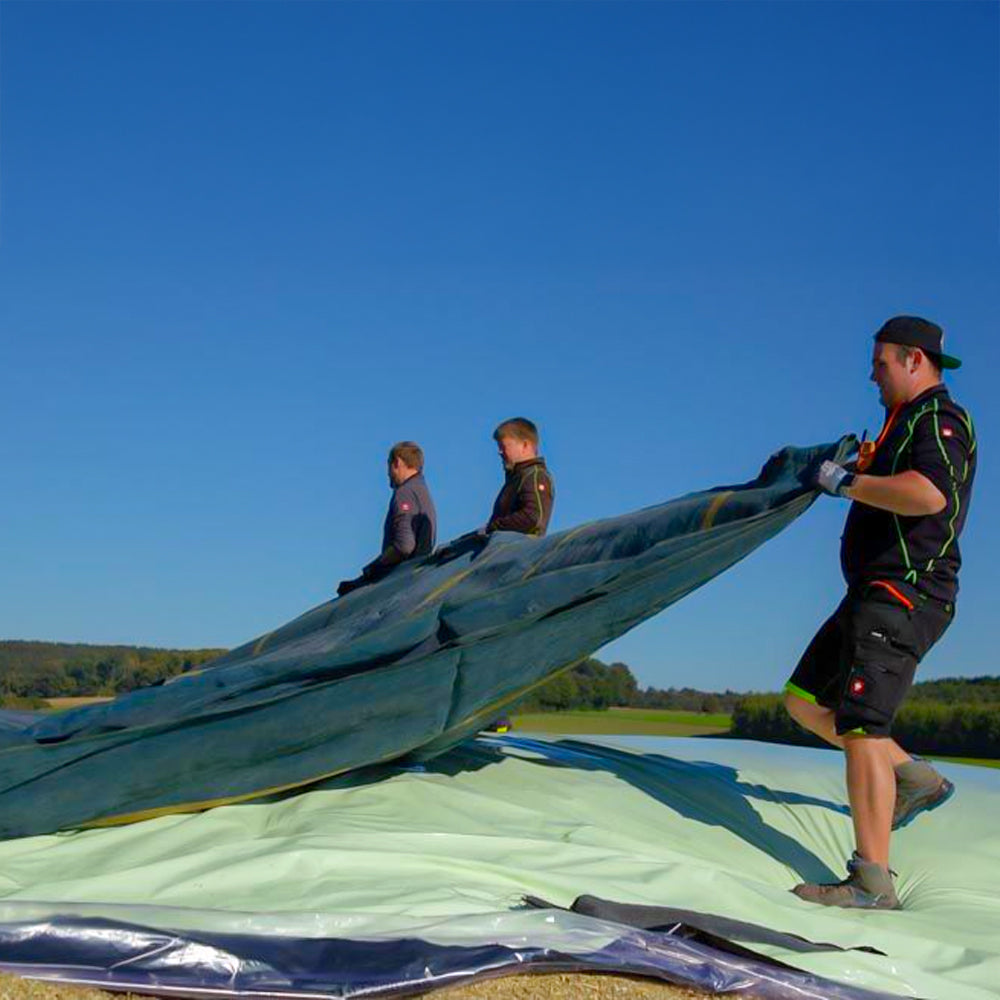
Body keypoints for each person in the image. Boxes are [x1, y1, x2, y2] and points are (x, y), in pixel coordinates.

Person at [785, 316, 976, 910]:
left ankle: (871, 881)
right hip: (868, 591)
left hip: (904, 592)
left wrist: (848, 484)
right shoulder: (904, 421)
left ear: (913, 360)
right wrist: (867, 469)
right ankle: (913, 777)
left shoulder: (938, 419)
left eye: (881, 364)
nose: (872, 375)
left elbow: (928, 494)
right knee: (802, 701)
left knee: (863, 727)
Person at [337, 441, 437, 597]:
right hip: (416, 579)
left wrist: (373, 568)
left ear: (397, 462)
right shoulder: (422, 491)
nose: (388, 474)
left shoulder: (405, 492)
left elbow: (404, 546)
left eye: (388, 467)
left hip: (399, 583)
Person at [486, 417, 555, 537]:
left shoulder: (536, 476)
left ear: (525, 445)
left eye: (503, 446)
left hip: (518, 551)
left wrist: (493, 527)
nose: (500, 452)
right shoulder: (516, 479)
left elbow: (532, 517)